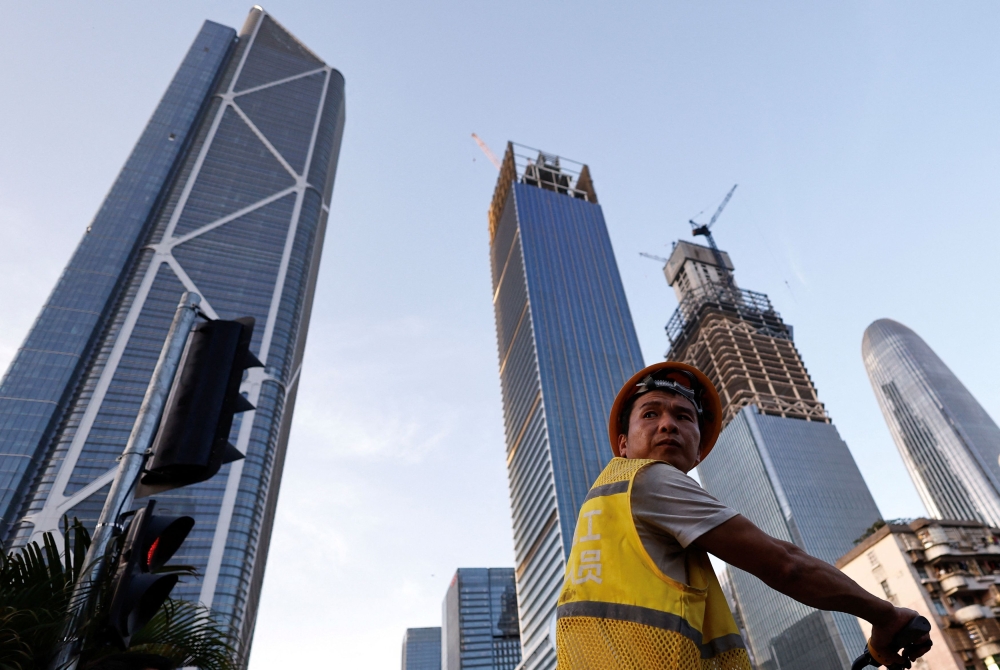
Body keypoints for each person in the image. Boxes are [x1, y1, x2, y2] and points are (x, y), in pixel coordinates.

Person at [555, 361, 931, 669]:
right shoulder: (650, 480)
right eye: (650, 414)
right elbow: (786, 565)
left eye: (684, 417)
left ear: (699, 450)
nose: (668, 424)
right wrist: (886, 616)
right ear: (623, 444)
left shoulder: (611, 507)